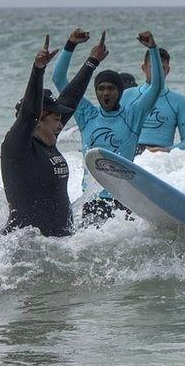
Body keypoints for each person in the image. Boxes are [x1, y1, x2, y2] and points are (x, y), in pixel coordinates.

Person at [52, 28, 164, 226]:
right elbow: (59, 79)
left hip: (125, 201)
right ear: (95, 91)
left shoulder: (133, 115)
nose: (106, 93)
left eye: (111, 88)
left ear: (120, 91)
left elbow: (156, 86)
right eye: (101, 88)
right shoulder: (87, 114)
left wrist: (153, 49)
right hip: (92, 202)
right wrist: (71, 45)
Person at [1, 34, 107, 237]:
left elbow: (70, 98)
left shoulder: (47, 139)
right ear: (39, 119)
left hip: (57, 247)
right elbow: (29, 113)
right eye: (57, 119)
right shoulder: (18, 147)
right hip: (26, 248)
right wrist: (38, 70)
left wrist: (92, 62)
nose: (62, 124)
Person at [127, 47, 185, 153]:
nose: (157, 72)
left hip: (161, 156)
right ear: (143, 68)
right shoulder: (128, 95)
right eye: (153, 67)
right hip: (133, 152)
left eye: (161, 68)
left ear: (168, 70)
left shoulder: (178, 101)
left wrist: (167, 150)